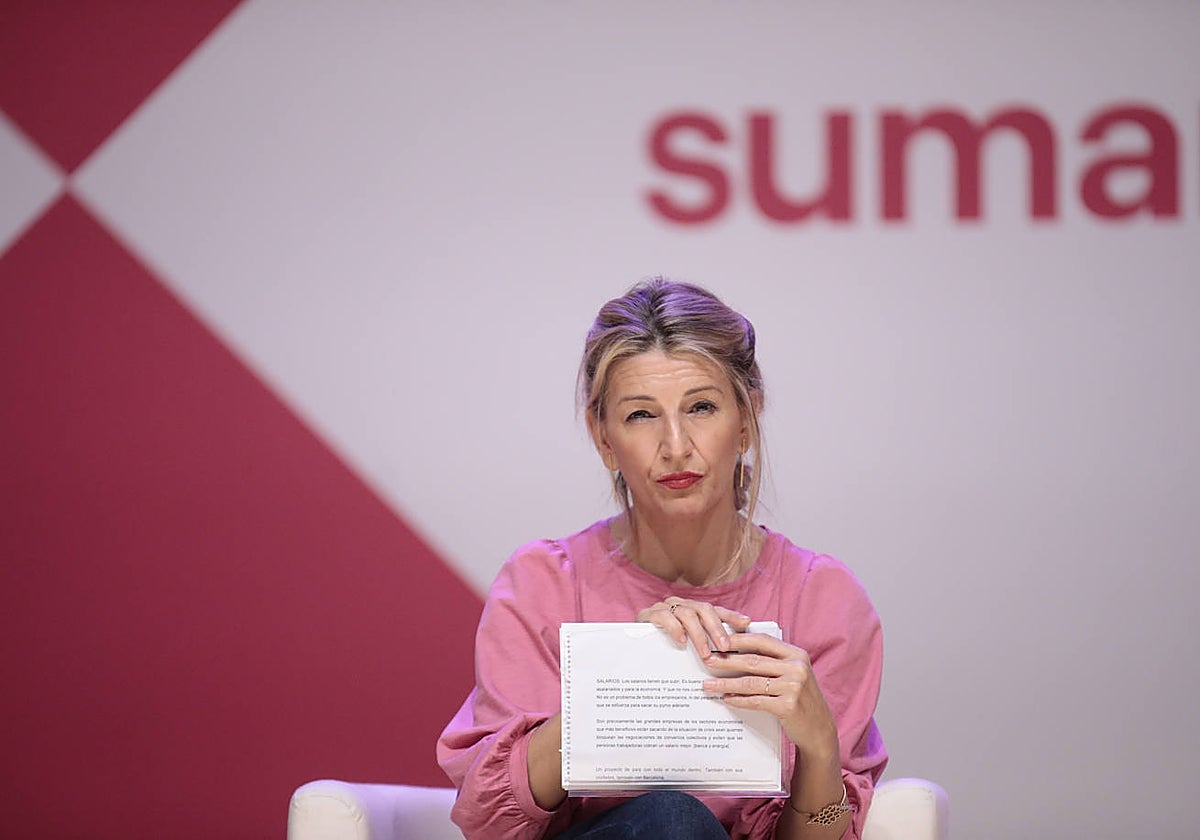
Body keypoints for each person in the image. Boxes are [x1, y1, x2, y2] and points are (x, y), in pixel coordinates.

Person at [437, 278, 887, 839]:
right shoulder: (544, 583)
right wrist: (621, 677)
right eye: (641, 416)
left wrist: (820, 750)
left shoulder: (824, 599)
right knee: (671, 819)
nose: (676, 446)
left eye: (701, 407)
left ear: (746, 420)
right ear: (603, 438)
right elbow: (487, 821)